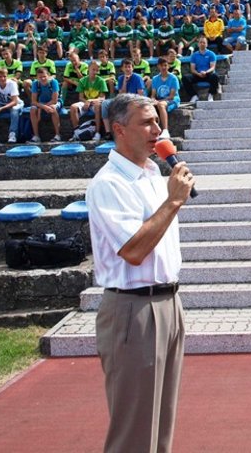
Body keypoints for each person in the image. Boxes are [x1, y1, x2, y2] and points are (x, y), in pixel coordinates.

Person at [86, 93, 193, 453]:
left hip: (168, 303)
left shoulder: (151, 174)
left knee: (161, 424)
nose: (158, 129)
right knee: (134, 430)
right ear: (119, 129)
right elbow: (133, 250)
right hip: (133, 310)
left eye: (157, 120)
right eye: (146, 122)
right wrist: (173, 200)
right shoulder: (109, 183)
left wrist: (170, 195)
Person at [69, 60, 107, 142]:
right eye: (93, 69)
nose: (95, 72)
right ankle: (76, 132)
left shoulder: (101, 81)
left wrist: (90, 100)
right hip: (85, 102)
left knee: (97, 106)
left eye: (97, 70)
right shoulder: (82, 80)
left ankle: (97, 132)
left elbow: (102, 97)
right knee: (73, 107)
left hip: (95, 102)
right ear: (88, 69)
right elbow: (80, 97)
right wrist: (86, 102)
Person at [29, 66, 62, 143]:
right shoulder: (35, 84)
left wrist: (43, 107)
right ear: (37, 77)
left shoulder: (54, 82)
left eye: (44, 76)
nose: (43, 79)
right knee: (33, 110)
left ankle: (58, 135)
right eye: (40, 77)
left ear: (48, 76)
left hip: (54, 102)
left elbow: (54, 100)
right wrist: (42, 107)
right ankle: (36, 136)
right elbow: (33, 101)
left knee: (52, 108)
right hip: (41, 103)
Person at [151, 57, 181, 139]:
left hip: (173, 100)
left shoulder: (173, 78)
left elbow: (171, 96)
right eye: (161, 65)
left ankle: (165, 130)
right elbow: (153, 94)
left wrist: (158, 101)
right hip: (160, 100)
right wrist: (153, 100)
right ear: (158, 66)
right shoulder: (155, 79)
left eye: (165, 65)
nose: (163, 67)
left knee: (161, 105)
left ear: (168, 66)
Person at [182, 36, 218, 103]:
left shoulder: (211, 54)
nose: (202, 44)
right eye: (200, 42)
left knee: (215, 77)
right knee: (185, 78)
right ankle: (194, 96)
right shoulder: (194, 55)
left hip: (207, 74)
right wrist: (198, 73)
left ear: (206, 44)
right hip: (197, 74)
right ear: (198, 44)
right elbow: (192, 69)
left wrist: (205, 72)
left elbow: (212, 67)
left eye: (204, 42)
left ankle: (211, 95)